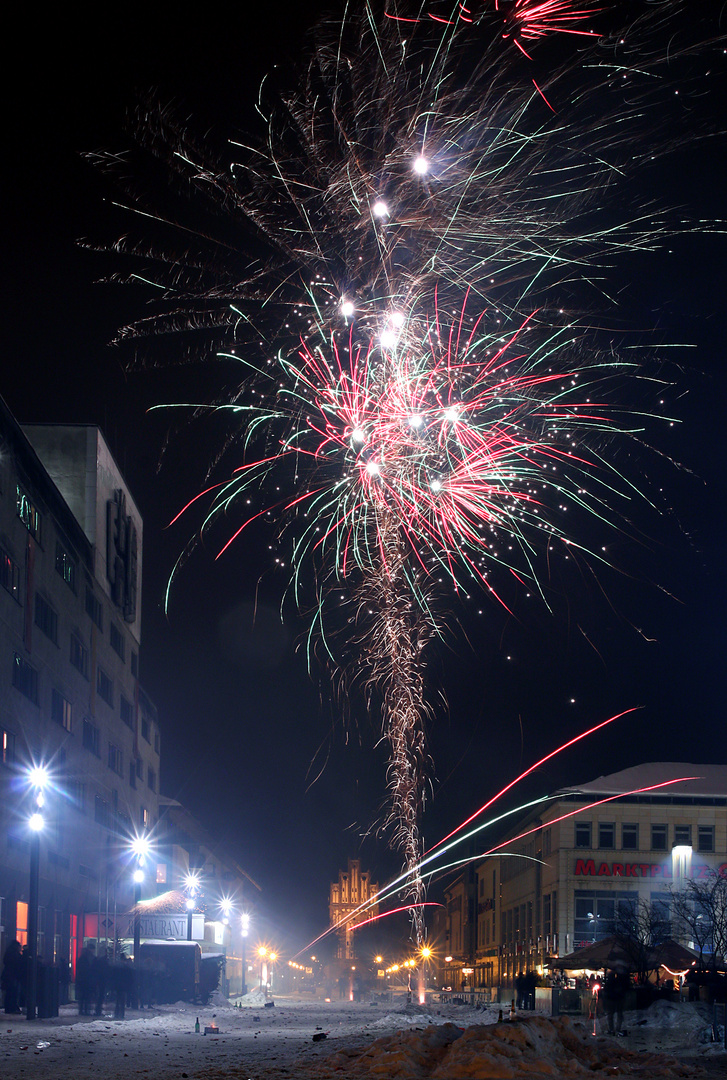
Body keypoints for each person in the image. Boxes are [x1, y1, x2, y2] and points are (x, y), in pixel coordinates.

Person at [602, 966, 630, 1036]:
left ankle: (612, 1029)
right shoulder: (619, 981)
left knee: (611, 1015)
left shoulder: (609, 982)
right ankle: (617, 1028)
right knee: (619, 1014)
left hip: (612, 999)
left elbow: (606, 990)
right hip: (619, 998)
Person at [1, 940, 23, 1013]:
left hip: (10, 976)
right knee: (13, 992)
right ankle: (12, 1008)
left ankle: (9, 1008)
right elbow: (17, 965)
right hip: (13, 976)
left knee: (10, 992)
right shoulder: (15, 954)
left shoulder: (9, 953)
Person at [76, 940, 96, 1016]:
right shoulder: (90, 958)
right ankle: (86, 1010)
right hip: (87, 980)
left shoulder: (82, 958)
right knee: (87, 997)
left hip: (83, 980)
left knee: (83, 997)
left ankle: (82, 1010)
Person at [94, 945, 109, 1016]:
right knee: (101, 996)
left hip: (99, 980)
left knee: (100, 996)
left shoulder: (97, 960)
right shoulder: (104, 961)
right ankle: (98, 1010)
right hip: (102, 980)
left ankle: (98, 1010)